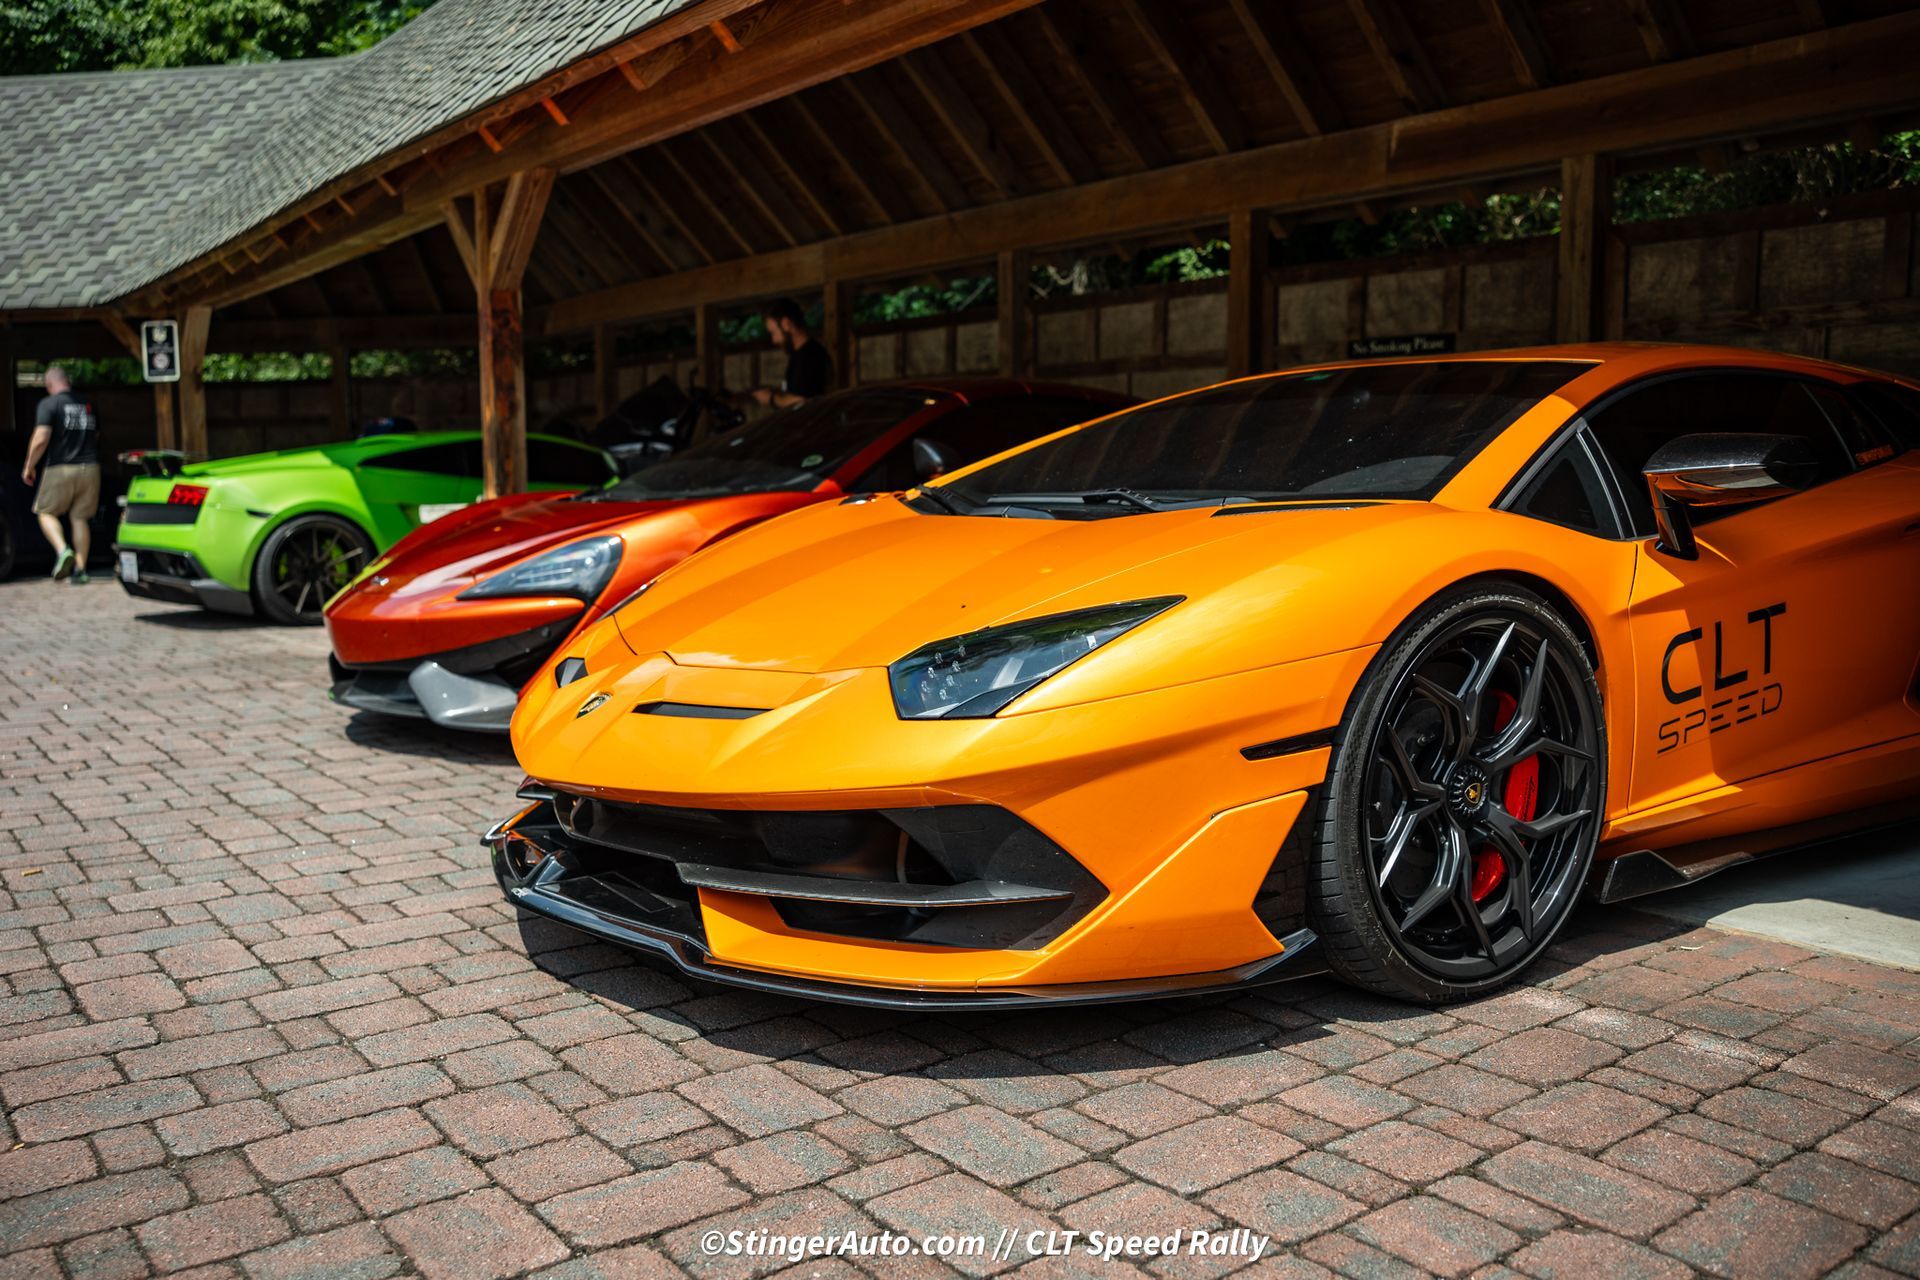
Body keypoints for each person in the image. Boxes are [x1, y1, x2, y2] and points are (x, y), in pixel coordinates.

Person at [21, 364, 101, 583]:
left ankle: (63, 550)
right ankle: (80, 570)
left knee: (44, 512)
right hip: (90, 468)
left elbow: (41, 438)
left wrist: (29, 466)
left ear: (49, 384)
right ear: (68, 381)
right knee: (80, 517)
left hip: (60, 467)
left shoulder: (49, 404)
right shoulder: (87, 403)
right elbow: (96, 436)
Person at [745, 298, 833, 408]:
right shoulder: (802, 354)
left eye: (773, 333)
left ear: (786, 324)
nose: (774, 340)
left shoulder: (809, 356)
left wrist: (770, 398)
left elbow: (801, 401)